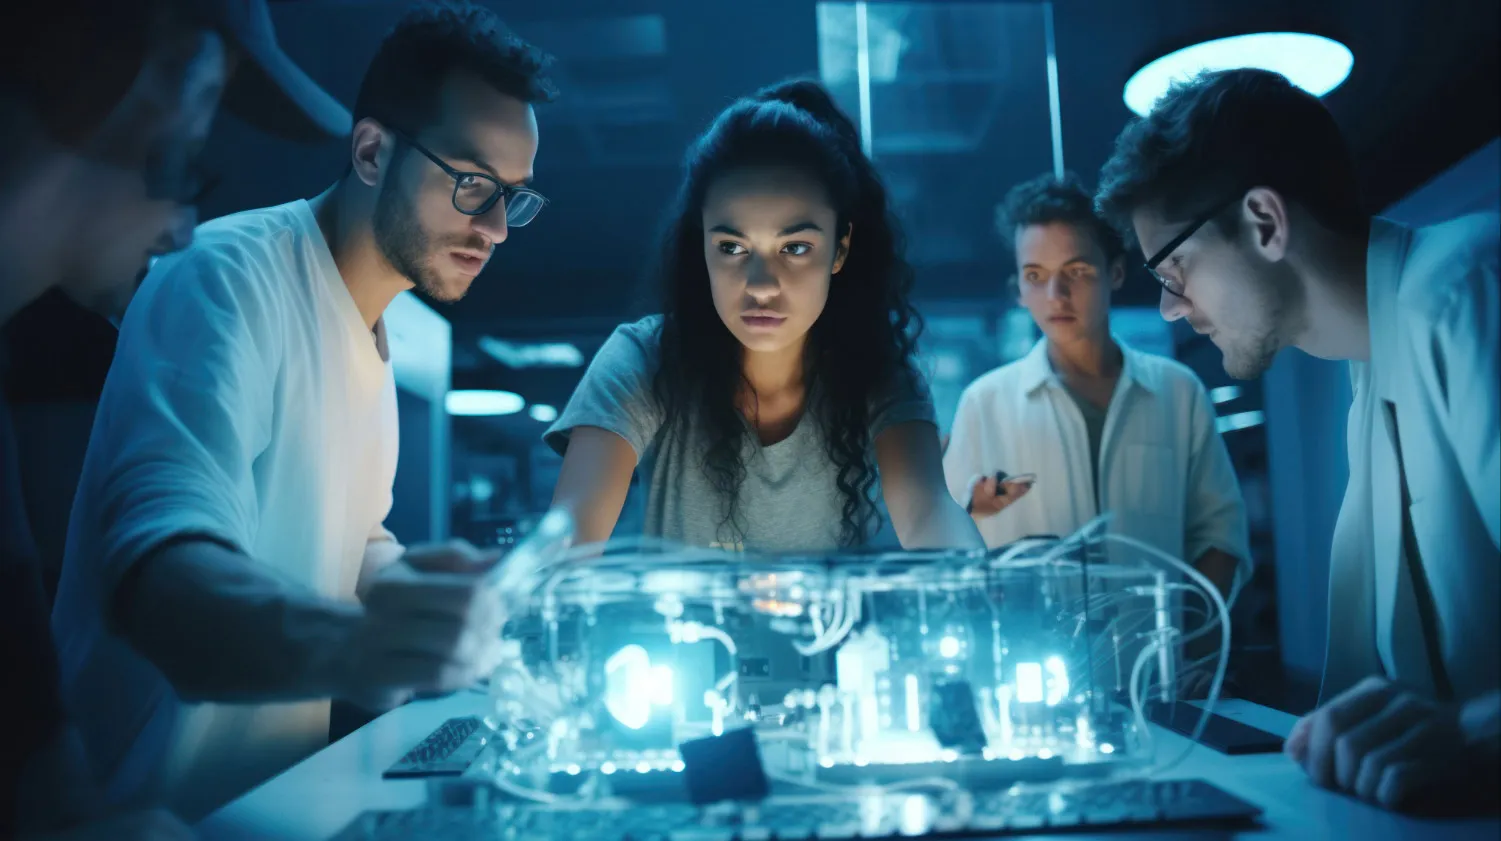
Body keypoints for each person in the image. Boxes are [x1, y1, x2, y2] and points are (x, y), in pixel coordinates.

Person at [50, 1, 557, 821]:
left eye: (513, 197)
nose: (496, 227)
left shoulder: (371, 329)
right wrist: (357, 648)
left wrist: (458, 601)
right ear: (369, 151)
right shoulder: (225, 277)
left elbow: (342, 540)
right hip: (145, 812)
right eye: (472, 184)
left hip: (266, 806)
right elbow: (160, 574)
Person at [1096, 67, 1498, 812]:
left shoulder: (1466, 287)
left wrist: (1471, 734)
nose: (1172, 310)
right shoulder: (1369, 375)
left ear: (1264, 223)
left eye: (1174, 271)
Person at [0, 0, 349, 837]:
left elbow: (37, 759)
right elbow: (163, 550)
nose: (181, 227)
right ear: (131, 83)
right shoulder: (228, 273)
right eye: (185, 153)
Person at [545, 80, 982, 553]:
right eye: (732, 247)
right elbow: (571, 533)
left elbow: (927, 509)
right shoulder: (644, 357)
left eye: (795, 248)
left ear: (840, 250)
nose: (761, 284)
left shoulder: (879, 370)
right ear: (702, 248)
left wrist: (984, 589)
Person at [943, 173, 1250, 690]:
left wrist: (1195, 652)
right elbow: (951, 548)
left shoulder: (1177, 392)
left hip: (1159, 680)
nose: (1055, 294)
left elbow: (1219, 536)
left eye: (1077, 270)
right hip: (1033, 687)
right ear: (1018, 288)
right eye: (1035, 275)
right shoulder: (985, 402)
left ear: (1116, 271)